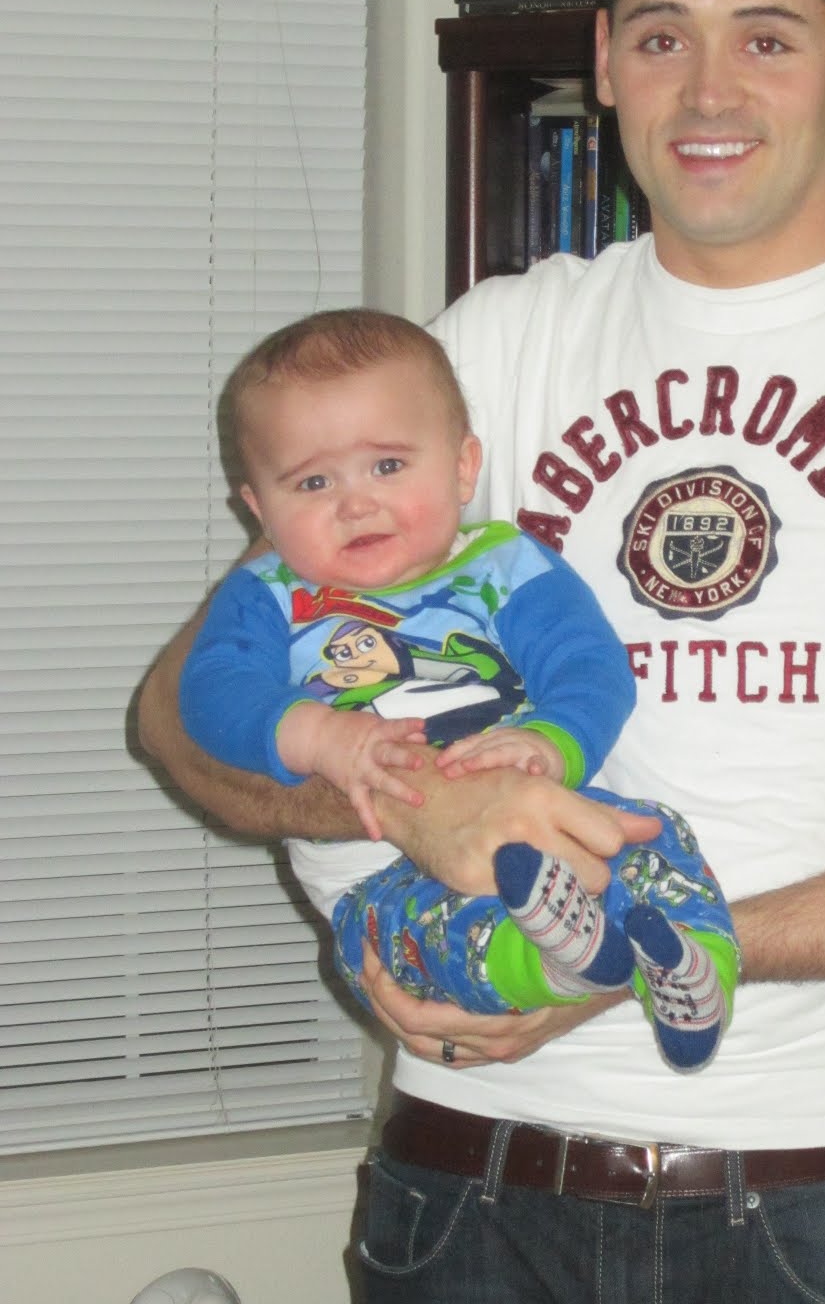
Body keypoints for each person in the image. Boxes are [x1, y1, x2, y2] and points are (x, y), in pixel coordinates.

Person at [138, 0, 825, 1304]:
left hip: (803, 1203)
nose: (709, 91)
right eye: (664, 36)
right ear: (605, 63)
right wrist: (407, 804)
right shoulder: (485, 347)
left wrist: (649, 959)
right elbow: (180, 720)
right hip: (460, 1189)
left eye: (766, 37)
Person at [177, 307, 738, 1071]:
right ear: (260, 511)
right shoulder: (270, 594)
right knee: (410, 941)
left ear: (463, 466)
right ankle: (549, 963)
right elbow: (211, 693)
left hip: (548, 813)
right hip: (376, 868)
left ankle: (695, 970)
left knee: (653, 836)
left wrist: (551, 743)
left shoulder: (504, 564)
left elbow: (590, 664)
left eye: (387, 466)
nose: (355, 502)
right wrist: (319, 735)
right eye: (312, 481)